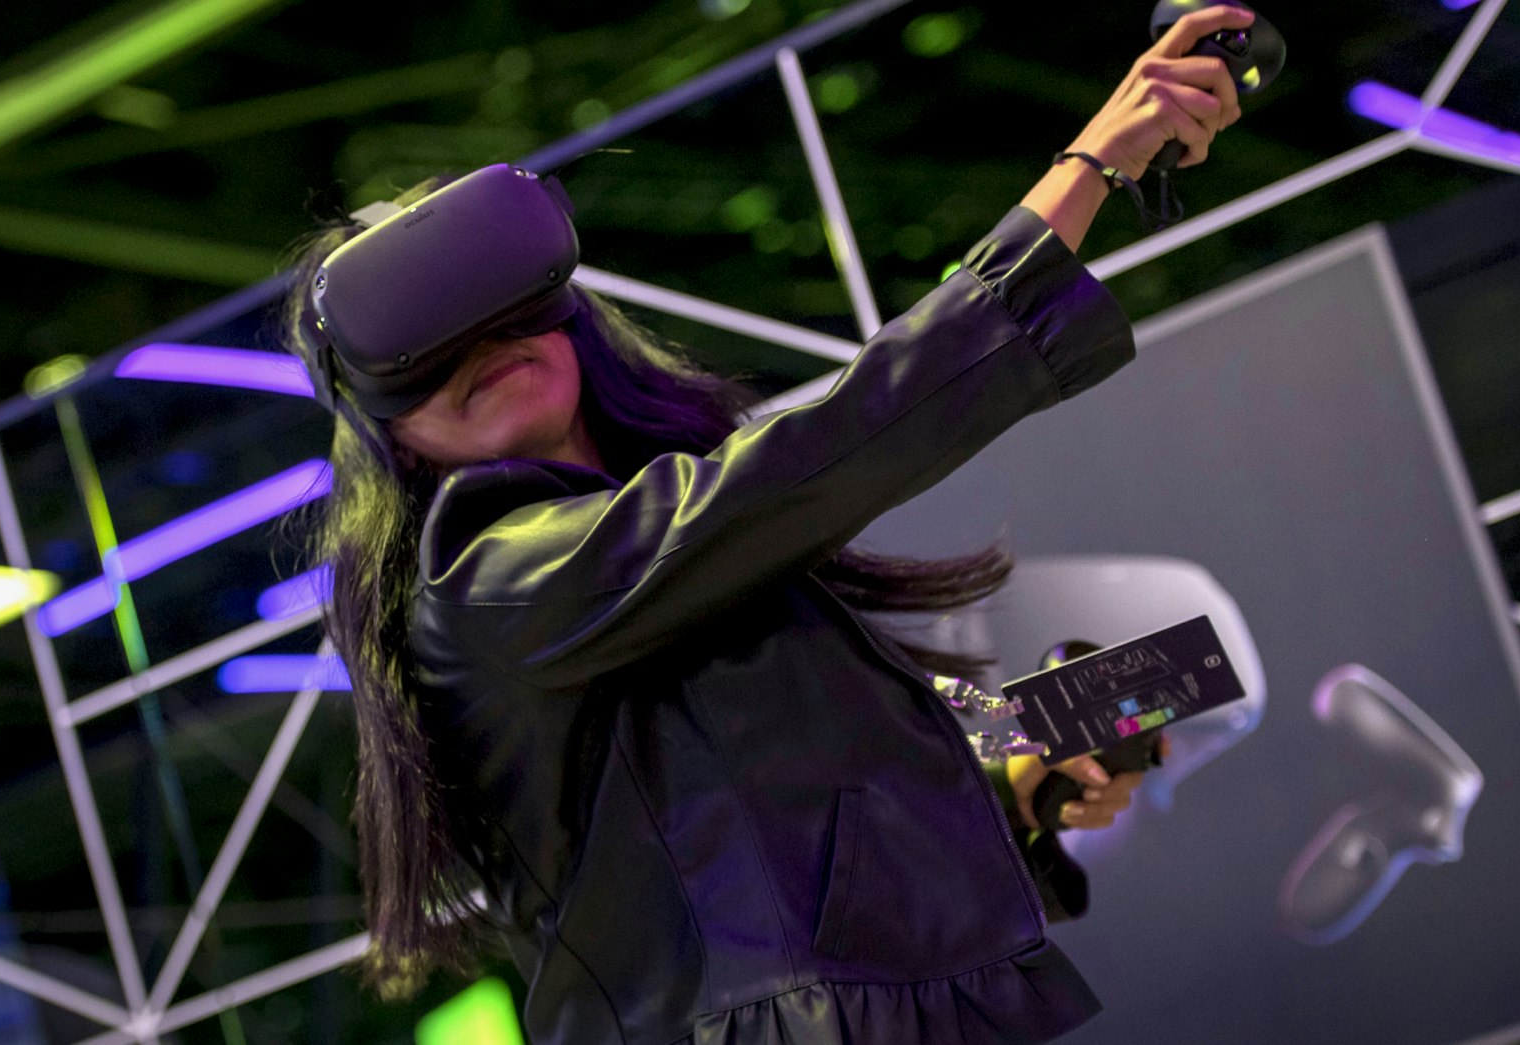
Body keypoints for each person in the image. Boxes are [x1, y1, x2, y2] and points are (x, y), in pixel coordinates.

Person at [281, 7, 1249, 1042]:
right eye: (423, 348)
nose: (481, 343)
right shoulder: (487, 584)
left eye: (506, 303)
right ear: (396, 441)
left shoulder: (707, 566)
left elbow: (792, 835)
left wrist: (1015, 787)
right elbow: (805, 464)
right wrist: (1088, 169)